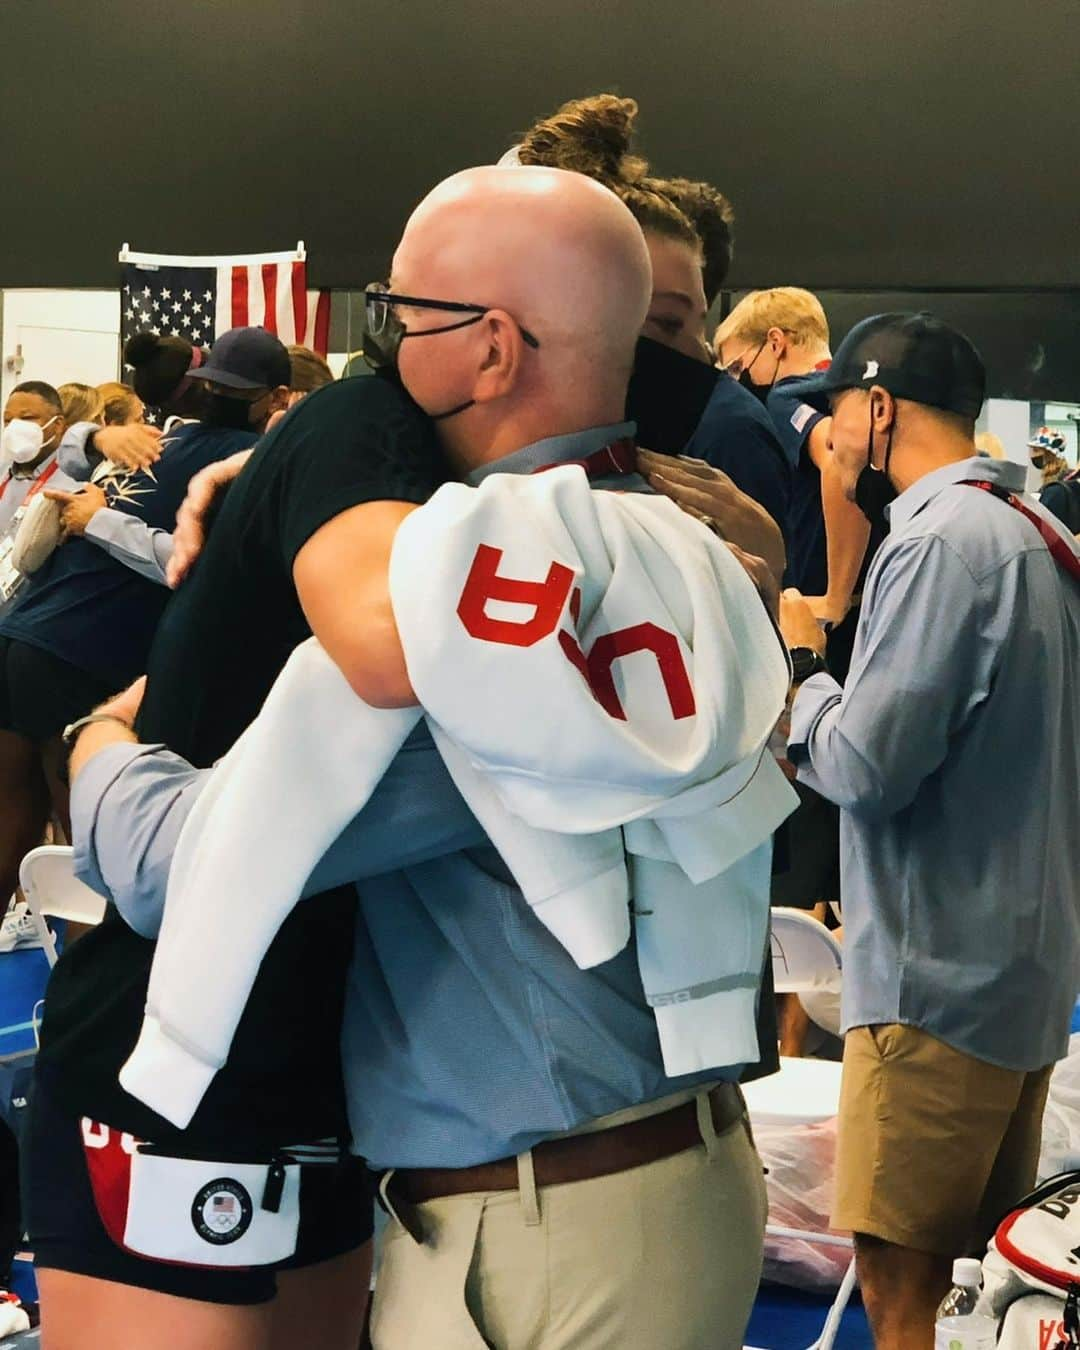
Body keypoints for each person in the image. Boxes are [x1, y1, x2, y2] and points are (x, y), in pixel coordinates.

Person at [55, 166, 781, 1350]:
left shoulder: (474, 607)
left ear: (494, 348)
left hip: (551, 1225)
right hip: (640, 1176)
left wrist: (100, 739)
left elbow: (177, 863)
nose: (387, 357)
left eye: (405, 319)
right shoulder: (686, 547)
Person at [779, 312, 1080, 1349]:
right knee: (970, 1293)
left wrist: (803, 672)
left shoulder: (942, 542)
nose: (824, 440)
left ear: (876, 409)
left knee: (905, 1296)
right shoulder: (1040, 537)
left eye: (828, 417)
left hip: (934, 983)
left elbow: (866, 767)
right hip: (1017, 980)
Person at [0, 329, 288, 908]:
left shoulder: (162, 442)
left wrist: (101, 443)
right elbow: (188, 565)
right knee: (91, 846)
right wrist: (100, 469)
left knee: (11, 813)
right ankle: (79, 990)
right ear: (276, 398)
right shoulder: (243, 466)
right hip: (78, 647)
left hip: (21, 627)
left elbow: (74, 442)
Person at [513, 93, 793, 536]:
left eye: (695, 323)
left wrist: (763, 579)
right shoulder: (420, 445)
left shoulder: (727, 431)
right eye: (665, 324)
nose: (698, 358)